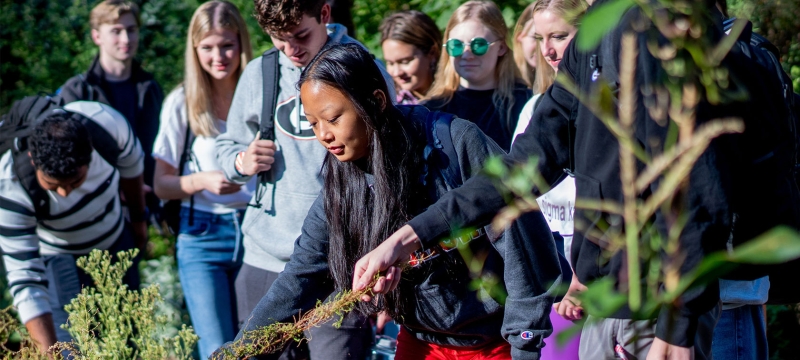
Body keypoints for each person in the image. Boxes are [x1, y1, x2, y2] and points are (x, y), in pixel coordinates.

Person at [350, 0, 781, 358]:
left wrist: (679, 325)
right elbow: (519, 171)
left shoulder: (665, 24)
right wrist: (409, 236)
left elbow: (698, 182)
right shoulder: (591, 42)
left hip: (673, 310)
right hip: (607, 303)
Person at [215, 42, 562, 360]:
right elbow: (302, 274)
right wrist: (241, 350)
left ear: (377, 101)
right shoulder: (342, 180)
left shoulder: (454, 144)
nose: (324, 135)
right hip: (421, 342)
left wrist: (524, 342)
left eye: (334, 118)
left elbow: (522, 242)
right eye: (313, 124)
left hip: (497, 343)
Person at [214, 0, 394, 358]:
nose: (291, 50)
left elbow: (391, 166)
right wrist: (241, 160)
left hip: (340, 264)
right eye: (279, 40)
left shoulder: (363, 68)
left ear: (325, 15)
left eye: (300, 36)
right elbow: (226, 147)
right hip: (265, 259)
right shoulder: (260, 72)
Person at [0, 101, 145, 352]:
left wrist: (140, 227)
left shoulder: (107, 126)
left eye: (76, 181)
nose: (64, 193)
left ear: (89, 154)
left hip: (117, 244)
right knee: (74, 351)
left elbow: (133, 171)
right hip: (61, 261)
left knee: (130, 345)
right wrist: (49, 355)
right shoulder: (9, 185)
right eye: (52, 184)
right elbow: (26, 280)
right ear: (33, 160)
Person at [151, 2, 253, 358]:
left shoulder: (258, 94)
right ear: (195, 51)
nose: (218, 56)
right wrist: (202, 180)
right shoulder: (182, 102)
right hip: (202, 236)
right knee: (218, 350)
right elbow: (161, 183)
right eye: (207, 47)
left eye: (226, 44)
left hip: (257, 231)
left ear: (241, 43)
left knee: (260, 344)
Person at [512, 1, 588, 358]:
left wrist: (581, 276)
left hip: (600, 278)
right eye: (540, 38)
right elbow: (518, 196)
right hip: (551, 280)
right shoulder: (536, 108)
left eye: (560, 35)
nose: (548, 50)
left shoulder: (612, 105)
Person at [59, 0, 164, 229]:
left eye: (131, 30)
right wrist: (122, 186)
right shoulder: (77, 91)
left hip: (145, 206)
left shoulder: (150, 87)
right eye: (116, 31)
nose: (125, 39)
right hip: (92, 210)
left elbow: (157, 148)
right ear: (97, 36)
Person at [423, 0, 531, 152]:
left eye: (478, 45)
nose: (467, 55)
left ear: (501, 47)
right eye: (457, 45)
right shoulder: (429, 111)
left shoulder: (527, 104)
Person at [379, 10, 442, 105]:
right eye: (390, 63)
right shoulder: (389, 103)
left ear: (432, 53)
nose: (396, 72)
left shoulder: (459, 96)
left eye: (405, 62)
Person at [513, 2, 538, 89]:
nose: (542, 48)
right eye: (535, 37)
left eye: (554, 37)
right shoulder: (506, 83)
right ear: (519, 36)